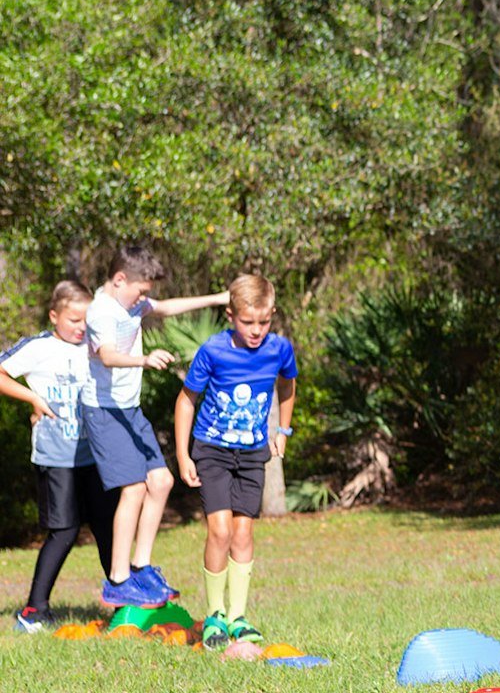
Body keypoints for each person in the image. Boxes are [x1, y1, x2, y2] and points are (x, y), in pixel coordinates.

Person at [82, 246, 229, 609]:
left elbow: (166, 307)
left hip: (129, 409)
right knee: (133, 489)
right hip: (104, 410)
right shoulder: (101, 310)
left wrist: (217, 298)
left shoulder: (132, 302)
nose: (144, 298)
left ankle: (141, 567)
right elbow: (108, 356)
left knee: (161, 481)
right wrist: (144, 360)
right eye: (140, 290)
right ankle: (117, 580)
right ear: (119, 279)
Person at [173, 274, 297, 650]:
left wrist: (283, 431)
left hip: (253, 452)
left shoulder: (280, 349)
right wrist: (182, 454)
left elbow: (288, 385)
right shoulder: (213, 351)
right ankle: (215, 615)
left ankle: (238, 617)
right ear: (231, 315)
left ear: (272, 314)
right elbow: (185, 401)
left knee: (243, 533)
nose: (256, 330)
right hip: (211, 449)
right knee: (221, 531)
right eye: (248, 322)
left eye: (263, 321)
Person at [0, 281, 119, 631]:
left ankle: (125, 604)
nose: (80, 327)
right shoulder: (38, 347)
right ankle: (34, 611)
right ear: (55, 316)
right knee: (64, 530)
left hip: (93, 457)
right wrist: (33, 400)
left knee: (107, 529)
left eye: (86, 320)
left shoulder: (94, 347)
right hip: (56, 457)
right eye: (73, 320)